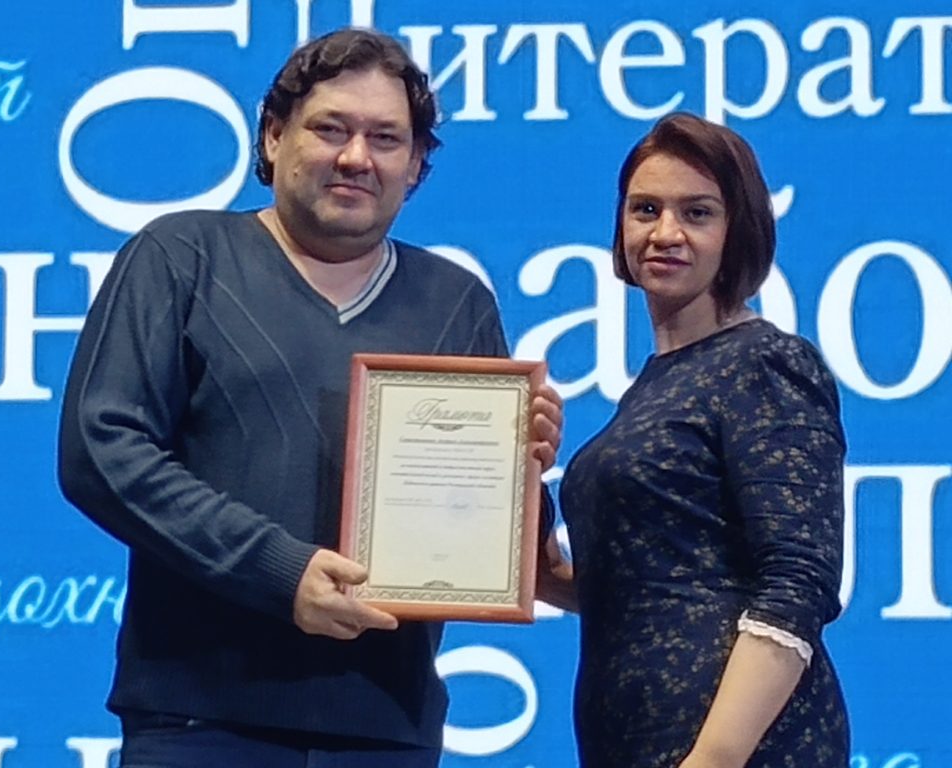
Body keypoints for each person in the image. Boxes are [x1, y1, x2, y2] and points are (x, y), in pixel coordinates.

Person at [58, 28, 565, 768]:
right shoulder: (181, 257)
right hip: (198, 722)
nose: (357, 157)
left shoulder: (457, 302)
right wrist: (279, 569)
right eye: (331, 129)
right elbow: (102, 451)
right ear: (273, 135)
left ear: (416, 165)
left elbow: (480, 540)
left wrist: (521, 477)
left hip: (386, 730)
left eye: (386, 138)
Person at [559, 112, 850, 767]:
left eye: (697, 213)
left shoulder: (764, 363)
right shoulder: (656, 383)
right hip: (634, 741)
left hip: (742, 749)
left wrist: (713, 758)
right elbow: (654, 581)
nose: (665, 233)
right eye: (645, 209)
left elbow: (798, 580)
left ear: (737, 230)